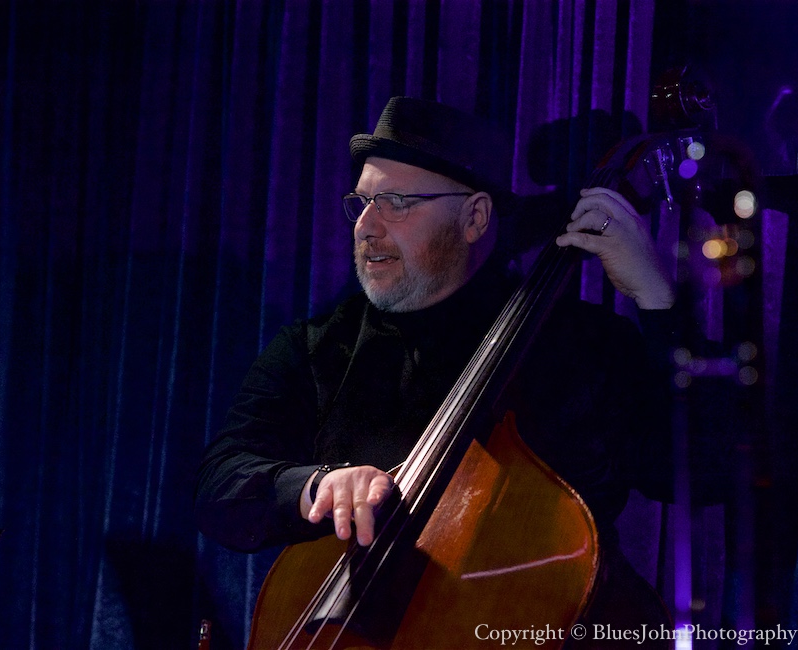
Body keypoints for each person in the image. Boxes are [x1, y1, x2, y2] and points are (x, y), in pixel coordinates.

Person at [195, 96, 694, 638]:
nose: (366, 226)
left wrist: (658, 302)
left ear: (475, 217)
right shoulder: (317, 349)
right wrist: (315, 487)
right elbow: (221, 485)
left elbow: (701, 471)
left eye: (396, 202)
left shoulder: (585, 346)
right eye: (361, 203)